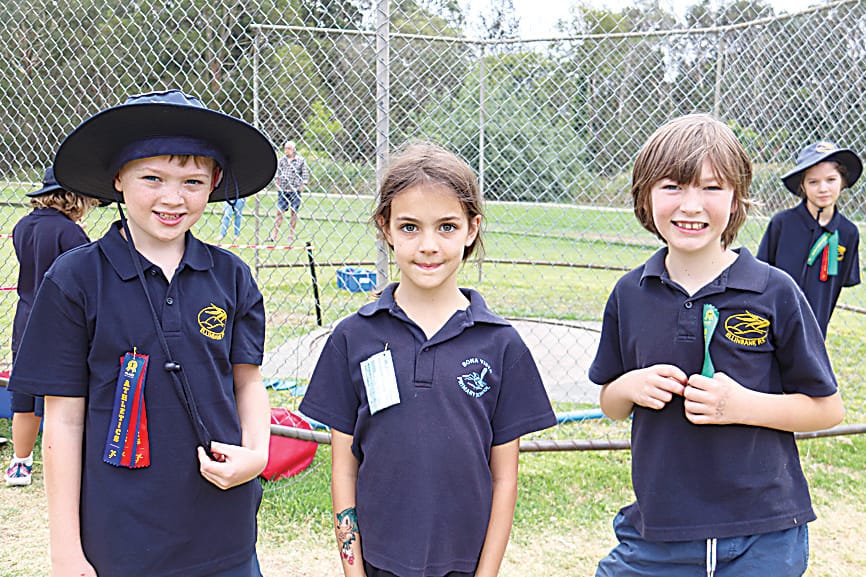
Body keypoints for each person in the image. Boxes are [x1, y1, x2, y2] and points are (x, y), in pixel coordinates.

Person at [8, 89, 276, 577]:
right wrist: (66, 551)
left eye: (192, 181)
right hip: (119, 539)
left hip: (224, 535)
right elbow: (64, 422)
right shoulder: (75, 280)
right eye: (152, 178)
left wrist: (256, 455)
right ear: (118, 180)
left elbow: (247, 381)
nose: (173, 198)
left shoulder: (231, 276)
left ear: (214, 182)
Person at [589, 114, 845, 577]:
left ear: (736, 198)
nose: (691, 205)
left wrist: (741, 405)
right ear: (645, 196)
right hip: (658, 533)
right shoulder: (630, 293)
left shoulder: (774, 291)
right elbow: (609, 402)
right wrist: (630, 385)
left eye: (711, 188)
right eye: (672, 187)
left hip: (764, 535)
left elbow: (826, 410)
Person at [299, 142, 557, 577]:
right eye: (410, 227)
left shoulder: (502, 346)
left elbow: (504, 479)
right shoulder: (352, 338)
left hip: (466, 565)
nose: (429, 245)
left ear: (472, 229)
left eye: (447, 227)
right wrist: (354, 571)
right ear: (386, 227)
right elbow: (344, 470)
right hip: (379, 562)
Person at [4, 166, 98, 487]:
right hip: (61, 321)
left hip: (26, 316)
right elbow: (85, 273)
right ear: (74, 198)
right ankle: (70, 458)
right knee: (64, 392)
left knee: (25, 393)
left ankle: (21, 463)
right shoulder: (70, 233)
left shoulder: (22, 226)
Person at [756, 141, 862, 337]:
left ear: (843, 181)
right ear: (803, 186)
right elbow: (761, 273)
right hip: (772, 327)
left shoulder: (848, 233)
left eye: (831, 180)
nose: (823, 188)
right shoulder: (781, 224)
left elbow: (841, 282)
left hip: (815, 333)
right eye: (813, 182)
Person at [269, 139, 309, 243]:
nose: (287, 150)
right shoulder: (282, 160)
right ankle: (274, 235)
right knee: (279, 212)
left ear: (294, 150)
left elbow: (305, 175)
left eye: (289, 148)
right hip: (283, 190)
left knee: (293, 213)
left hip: (295, 191)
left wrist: (301, 187)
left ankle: (291, 235)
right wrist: (278, 185)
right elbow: (277, 173)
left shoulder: (300, 161)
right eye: (285, 148)